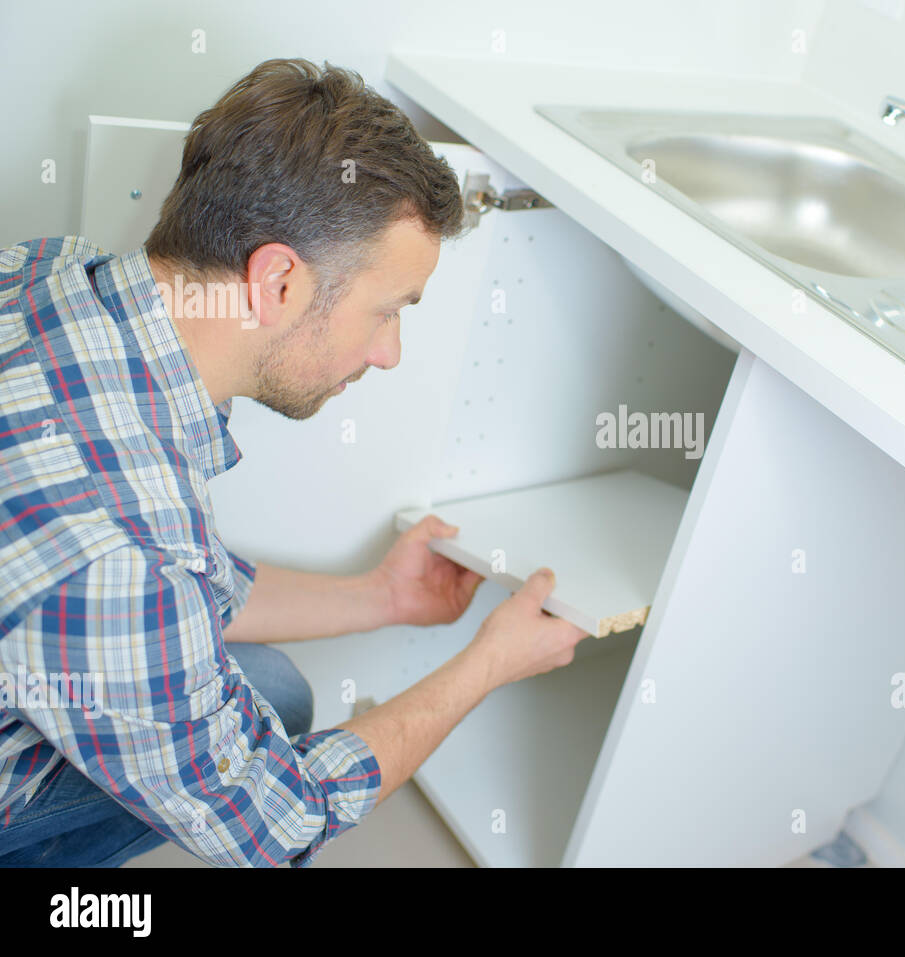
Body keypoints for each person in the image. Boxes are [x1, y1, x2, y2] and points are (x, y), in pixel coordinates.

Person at [0, 58, 587, 867]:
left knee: (267, 687)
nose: (389, 353)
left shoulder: (46, 272)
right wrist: (486, 665)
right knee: (273, 706)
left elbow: (168, 582)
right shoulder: (125, 547)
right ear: (276, 279)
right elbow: (280, 819)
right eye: (387, 311)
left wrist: (383, 596)